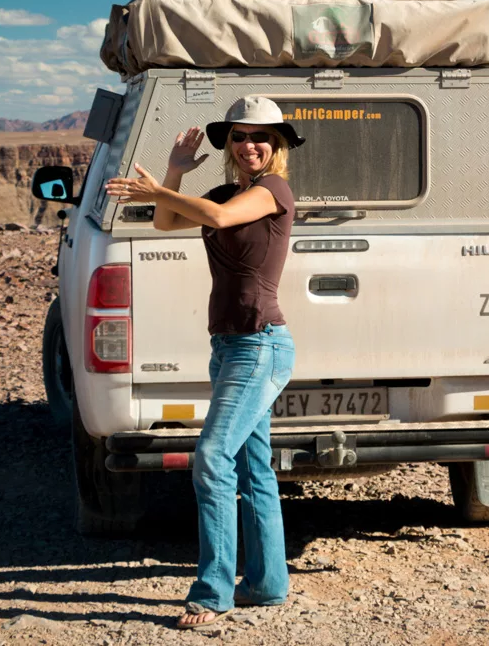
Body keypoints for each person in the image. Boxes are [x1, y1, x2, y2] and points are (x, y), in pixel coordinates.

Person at [104, 95, 305, 630]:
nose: (249, 146)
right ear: (229, 145)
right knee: (249, 464)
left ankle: (213, 591)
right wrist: (173, 171)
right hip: (229, 346)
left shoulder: (273, 191)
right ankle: (267, 584)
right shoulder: (226, 190)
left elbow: (214, 217)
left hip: (260, 344)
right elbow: (166, 223)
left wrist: (157, 190)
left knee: (211, 458)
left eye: (260, 137)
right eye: (238, 137)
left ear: (278, 144)